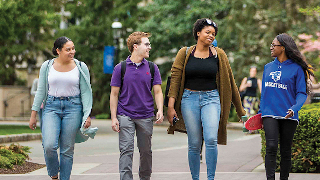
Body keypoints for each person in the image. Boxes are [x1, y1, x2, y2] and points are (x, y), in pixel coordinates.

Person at [166, 18, 245, 180]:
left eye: (213, 33)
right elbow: (175, 78)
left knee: (210, 138)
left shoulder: (219, 55)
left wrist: (240, 111)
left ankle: (210, 178)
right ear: (198, 33)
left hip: (212, 99)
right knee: (194, 144)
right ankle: (195, 178)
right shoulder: (185, 52)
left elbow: (231, 83)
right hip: (189, 99)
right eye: (207, 32)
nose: (211, 35)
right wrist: (171, 106)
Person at [29, 36, 98, 180]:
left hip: (73, 108)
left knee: (67, 150)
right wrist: (33, 114)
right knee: (49, 145)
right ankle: (54, 174)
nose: (72, 51)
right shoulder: (47, 66)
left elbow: (86, 92)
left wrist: (87, 115)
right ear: (58, 50)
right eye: (68, 49)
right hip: (51, 108)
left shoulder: (81, 66)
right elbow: (41, 91)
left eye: (73, 48)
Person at [110, 32, 164, 180]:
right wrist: (114, 117)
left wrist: (160, 109)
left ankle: (145, 178)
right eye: (146, 44)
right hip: (125, 114)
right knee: (126, 150)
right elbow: (114, 94)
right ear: (135, 47)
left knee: (146, 151)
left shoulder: (152, 68)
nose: (149, 47)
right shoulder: (120, 68)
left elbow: (158, 91)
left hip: (146, 115)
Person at [259, 33, 312, 180]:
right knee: (270, 147)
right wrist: (260, 113)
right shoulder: (268, 68)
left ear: (282, 47)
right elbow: (264, 92)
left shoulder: (297, 69)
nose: (271, 48)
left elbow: (301, 93)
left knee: (285, 150)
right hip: (269, 113)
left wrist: (294, 109)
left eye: (273, 45)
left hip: (289, 114)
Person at [239, 66, 262, 132]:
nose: (253, 72)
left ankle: (253, 129)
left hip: (254, 99)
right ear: (250, 71)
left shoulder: (258, 80)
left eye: (254, 71)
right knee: (247, 113)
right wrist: (246, 85)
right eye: (252, 71)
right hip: (247, 99)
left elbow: (261, 90)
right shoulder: (246, 79)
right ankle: (246, 128)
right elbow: (241, 89)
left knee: (254, 114)